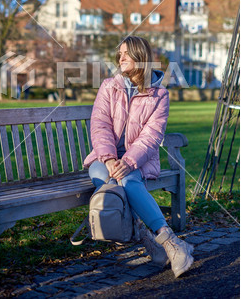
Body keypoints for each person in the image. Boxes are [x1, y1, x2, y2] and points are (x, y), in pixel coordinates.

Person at [83, 36, 194, 278]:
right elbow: (99, 125)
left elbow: (151, 136)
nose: (120, 57)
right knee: (107, 179)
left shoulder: (159, 95)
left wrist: (129, 162)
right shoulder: (108, 87)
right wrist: (110, 159)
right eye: (119, 53)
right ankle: (159, 243)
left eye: (126, 53)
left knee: (129, 181)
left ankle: (169, 243)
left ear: (140, 57)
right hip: (104, 158)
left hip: (138, 159)